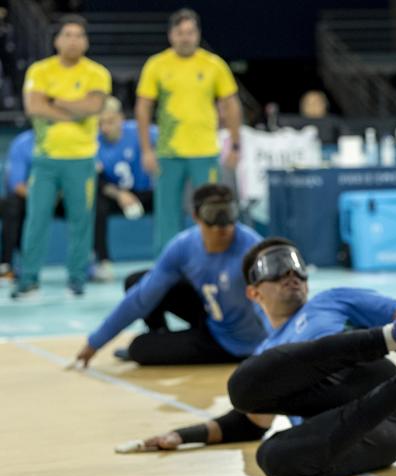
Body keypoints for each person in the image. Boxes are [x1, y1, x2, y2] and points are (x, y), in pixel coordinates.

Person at [122, 237, 396, 476]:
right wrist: (180, 436)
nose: (291, 275)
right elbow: (248, 425)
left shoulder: (332, 300)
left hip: (371, 394)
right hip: (353, 433)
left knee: (248, 381)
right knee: (270, 458)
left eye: (297, 266)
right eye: (276, 267)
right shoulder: (268, 354)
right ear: (253, 291)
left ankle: (394, 336)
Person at [75, 183, 266, 367]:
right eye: (212, 214)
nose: (222, 224)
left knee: (139, 348)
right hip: (211, 314)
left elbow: (274, 307)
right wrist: (95, 341)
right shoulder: (184, 245)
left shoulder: (253, 251)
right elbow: (141, 299)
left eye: (228, 213)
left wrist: (270, 352)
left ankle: (165, 343)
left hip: (236, 343)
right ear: (196, 217)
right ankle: (161, 334)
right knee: (138, 281)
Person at [13, 15, 111, 299]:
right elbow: (33, 107)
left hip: (82, 160)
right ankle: (28, 278)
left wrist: (53, 101)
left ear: (86, 41)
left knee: (81, 221)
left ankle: (77, 278)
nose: (73, 40)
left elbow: (93, 106)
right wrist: (74, 110)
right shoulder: (40, 70)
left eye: (79, 35)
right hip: (45, 159)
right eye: (67, 35)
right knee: (36, 219)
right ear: (56, 40)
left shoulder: (97, 73)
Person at [136, 8, 242, 254]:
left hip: (204, 152)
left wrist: (236, 144)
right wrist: (146, 150)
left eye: (190, 32)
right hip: (168, 152)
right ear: (171, 35)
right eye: (180, 32)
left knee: (212, 210)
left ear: (198, 34)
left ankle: (213, 259)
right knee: (166, 216)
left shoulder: (214, 65)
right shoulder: (157, 65)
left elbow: (231, 105)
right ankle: (167, 265)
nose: (186, 37)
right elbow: (143, 108)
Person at [92, 96, 157, 281]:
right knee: (96, 203)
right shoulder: (93, 142)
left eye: (110, 122)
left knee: (167, 200)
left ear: (121, 118)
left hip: (146, 191)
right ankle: (102, 262)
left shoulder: (142, 132)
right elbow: (96, 179)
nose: (105, 127)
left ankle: (167, 259)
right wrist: (120, 195)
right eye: (100, 123)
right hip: (115, 194)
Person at [0, 129, 34, 282]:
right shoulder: (22, 143)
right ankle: (6, 266)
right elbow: (16, 184)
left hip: (61, 198)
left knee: (90, 205)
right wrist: (41, 198)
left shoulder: (66, 143)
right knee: (12, 205)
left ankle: (92, 263)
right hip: (30, 196)